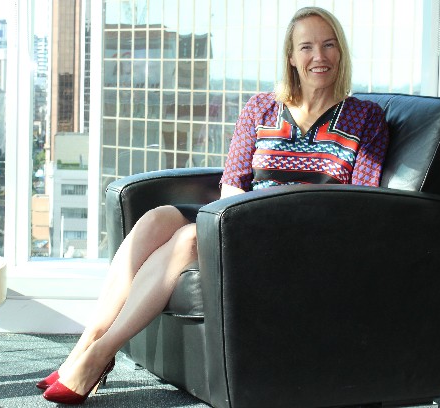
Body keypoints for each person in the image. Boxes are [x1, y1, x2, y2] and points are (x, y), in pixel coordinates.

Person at [41, 6, 389, 404]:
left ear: (340, 52)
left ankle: (100, 355)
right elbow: (233, 181)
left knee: (189, 239)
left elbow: (362, 203)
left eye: (329, 45)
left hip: (303, 237)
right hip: (246, 220)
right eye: (306, 46)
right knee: (157, 219)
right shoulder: (261, 107)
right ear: (291, 56)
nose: (319, 56)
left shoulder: (366, 118)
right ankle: (85, 345)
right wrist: (232, 224)